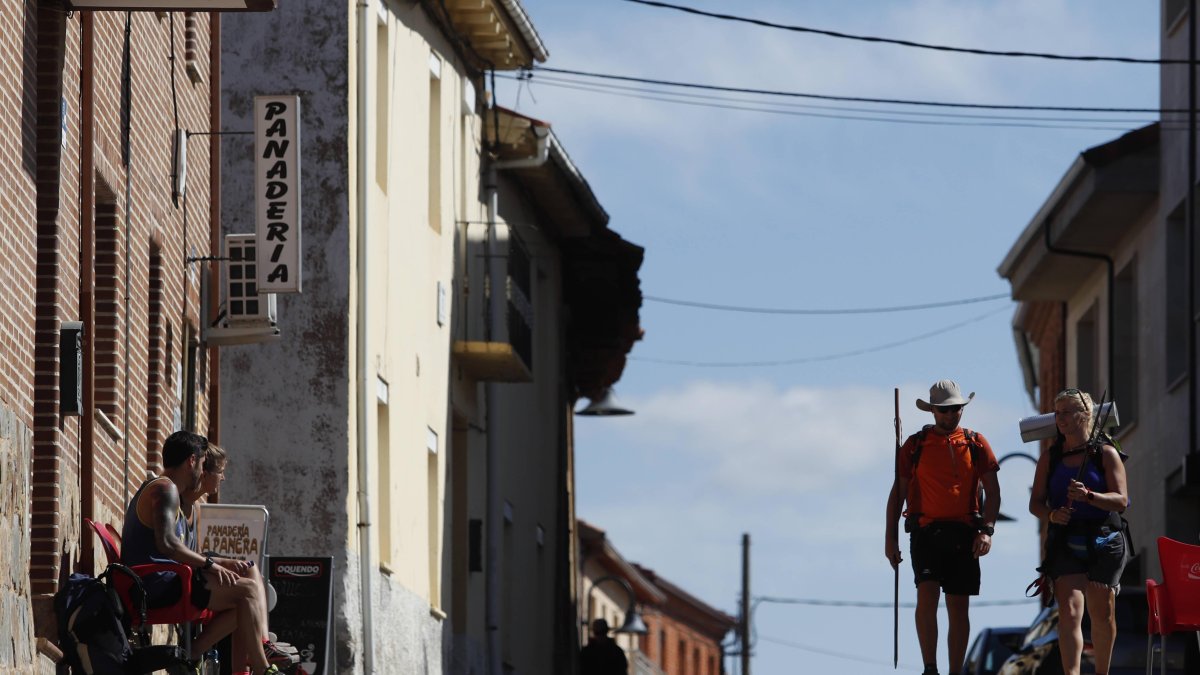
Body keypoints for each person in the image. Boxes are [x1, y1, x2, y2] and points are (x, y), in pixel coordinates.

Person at [121, 430, 288, 675]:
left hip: (162, 580)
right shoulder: (164, 488)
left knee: (245, 590)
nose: (202, 471)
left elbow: (175, 548)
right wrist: (211, 565)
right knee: (248, 592)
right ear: (191, 461)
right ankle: (262, 668)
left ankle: (194, 657)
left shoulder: (170, 492)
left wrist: (218, 562)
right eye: (201, 464)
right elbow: (167, 543)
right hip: (153, 585)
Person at [885, 380, 1002, 675]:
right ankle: (929, 667)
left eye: (956, 409)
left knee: (958, 606)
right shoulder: (915, 445)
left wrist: (987, 530)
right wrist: (890, 539)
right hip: (925, 532)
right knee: (926, 594)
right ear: (933, 411)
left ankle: (954, 671)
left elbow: (994, 491)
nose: (951, 415)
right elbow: (898, 493)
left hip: (965, 532)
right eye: (945, 410)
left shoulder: (976, 443)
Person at [1029, 388, 1129, 675]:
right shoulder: (1050, 458)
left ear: (1085, 415)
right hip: (1065, 539)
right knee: (1070, 612)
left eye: (1067, 412)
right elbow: (1035, 503)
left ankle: (1101, 671)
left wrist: (1089, 497)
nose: (1060, 418)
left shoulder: (1106, 454)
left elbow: (1121, 500)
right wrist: (1051, 514)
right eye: (1057, 413)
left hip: (1104, 539)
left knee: (1101, 612)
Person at [181, 443, 298, 671]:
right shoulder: (179, 502)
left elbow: (193, 552)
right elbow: (179, 552)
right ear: (204, 473)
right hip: (185, 578)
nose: (223, 478)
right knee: (247, 594)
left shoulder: (194, 507)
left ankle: (262, 645)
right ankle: (258, 663)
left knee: (249, 570)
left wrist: (222, 562)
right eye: (220, 472)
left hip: (195, 570)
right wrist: (217, 563)